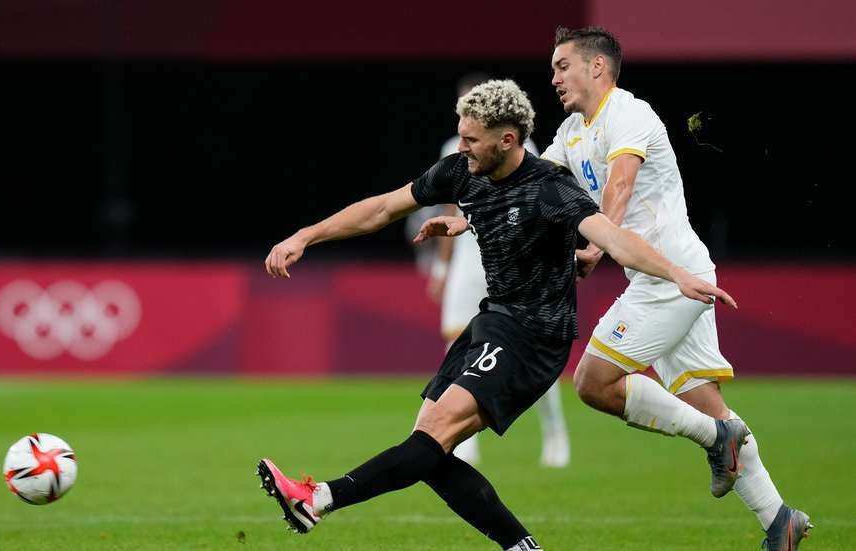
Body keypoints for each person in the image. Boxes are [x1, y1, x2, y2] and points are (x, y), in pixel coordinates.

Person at [259, 79, 737, 550]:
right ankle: (522, 547)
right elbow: (384, 208)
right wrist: (305, 236)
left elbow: (615, 239)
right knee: (427, 448)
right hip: (493, 321)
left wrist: (676, 273)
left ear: (506, 140)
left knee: (432, 438)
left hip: (535, 336)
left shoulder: (550, 188)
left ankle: (316, 499)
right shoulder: (461, 171)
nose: (461, 147)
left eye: (471, 139)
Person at [540, 26, 811, 551]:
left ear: (597, 66)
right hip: (674, 278)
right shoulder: (572, 130)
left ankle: (718, 441)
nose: (554, 78)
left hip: (670, 277)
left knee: (593, 382)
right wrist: (469, 215)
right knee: (707, 405)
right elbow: (532, 182)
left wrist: (597, 246)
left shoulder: (629, 113)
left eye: (562, 66)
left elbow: (620, 184)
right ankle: (781, 521)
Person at [428, 74, 569, 468]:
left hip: (512, 261)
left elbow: (543, 206)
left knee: (528, 352)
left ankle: (555, 432)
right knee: (457, 344)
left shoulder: (524, 149)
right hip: (466, 260)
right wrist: (441, 267)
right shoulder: (452, 151)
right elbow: (448, 211)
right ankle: (463, 441)